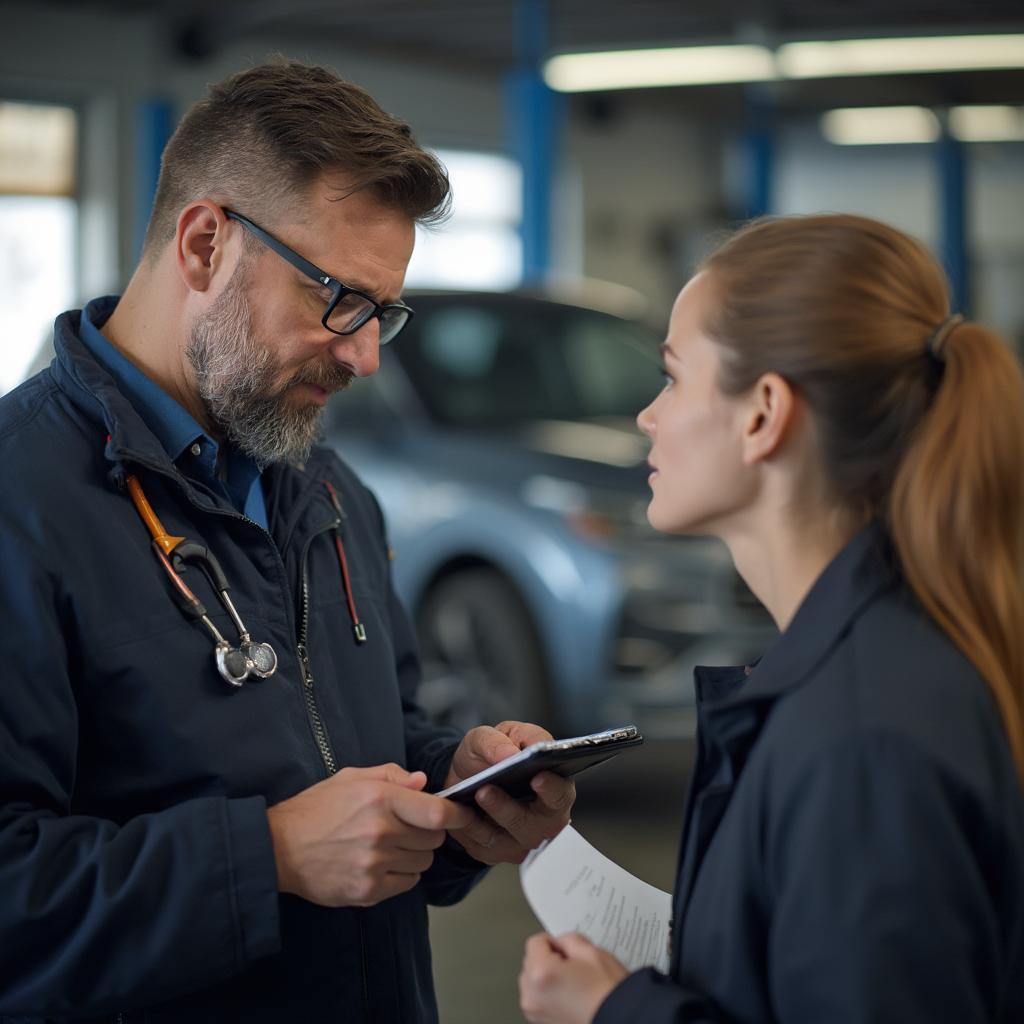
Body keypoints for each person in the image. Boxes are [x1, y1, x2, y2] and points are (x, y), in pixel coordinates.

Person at [0, 60, 575, 1022]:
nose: (365, 355)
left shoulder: (328, 491)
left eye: (383, 311)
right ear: (204, 246)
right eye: (339, 301)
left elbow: (357, 749)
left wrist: (457, 791)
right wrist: (267, 857)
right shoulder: (23, 504)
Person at [518, 213, 1024, 1023]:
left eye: (675, 376)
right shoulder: (865, 662)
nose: (649, 415)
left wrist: (614, 1013)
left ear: (763, 414)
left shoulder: (863, 736)